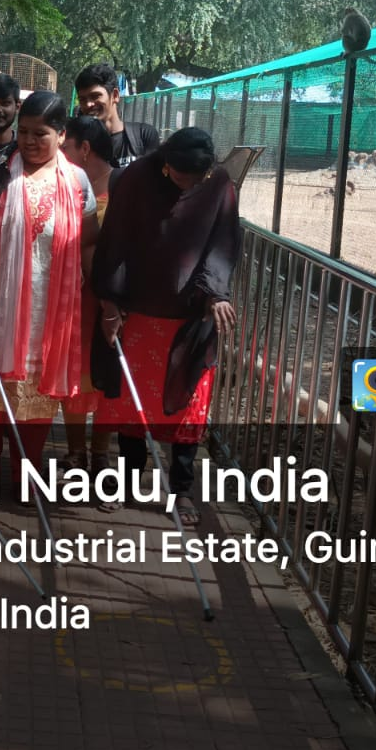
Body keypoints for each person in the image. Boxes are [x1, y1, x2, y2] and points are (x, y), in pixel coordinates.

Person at [91, 127, 241, 527]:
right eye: (177, 176)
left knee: (187, 409)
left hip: (192, 316)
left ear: (208, 172)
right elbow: (115, 241)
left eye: (194, 179)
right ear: (164, 163)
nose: (184, 185)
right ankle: (126, 483)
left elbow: (222, 242)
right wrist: (111, 304)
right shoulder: (137, 177)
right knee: (133, 406)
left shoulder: (220, 184)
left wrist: (217, 294)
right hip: (140, 313)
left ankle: (180, 491)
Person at [0, 92, 99, 481]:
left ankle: (26, 472)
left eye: (42, 133)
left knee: (33, 399)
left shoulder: (76, 181)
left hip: (47, 312)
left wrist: (100, 293)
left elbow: (87, 241)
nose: (30, 141)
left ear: (61, 133)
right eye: (24, 132)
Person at [60, 115, 116, 476]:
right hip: (73, 297)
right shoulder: (64, 183)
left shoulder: (123, 187)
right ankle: (76, 451)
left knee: (108, 375)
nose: (59, 153)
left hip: (110, 297)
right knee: (75, 374)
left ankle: (101, 452)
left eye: (65, 147)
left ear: (84, 148)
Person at [74, 62, 159, 168]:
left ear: (115, 95)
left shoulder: (143, 136)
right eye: (82, 99)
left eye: (95, 96)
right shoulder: (78, 144)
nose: (88, 104)